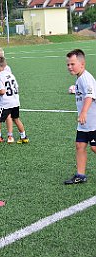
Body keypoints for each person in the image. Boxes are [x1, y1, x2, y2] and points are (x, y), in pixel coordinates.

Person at [64, 49, 96, 185]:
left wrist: (83, 112)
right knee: (80, 145)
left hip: (93, 121)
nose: (70, 67)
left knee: (94, 147)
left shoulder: (86, 78)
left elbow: (89, 96)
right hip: (84, 123)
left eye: (72, 64)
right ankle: (80, 175)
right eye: (68, 64)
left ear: (82, 64)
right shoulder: (79, 78)